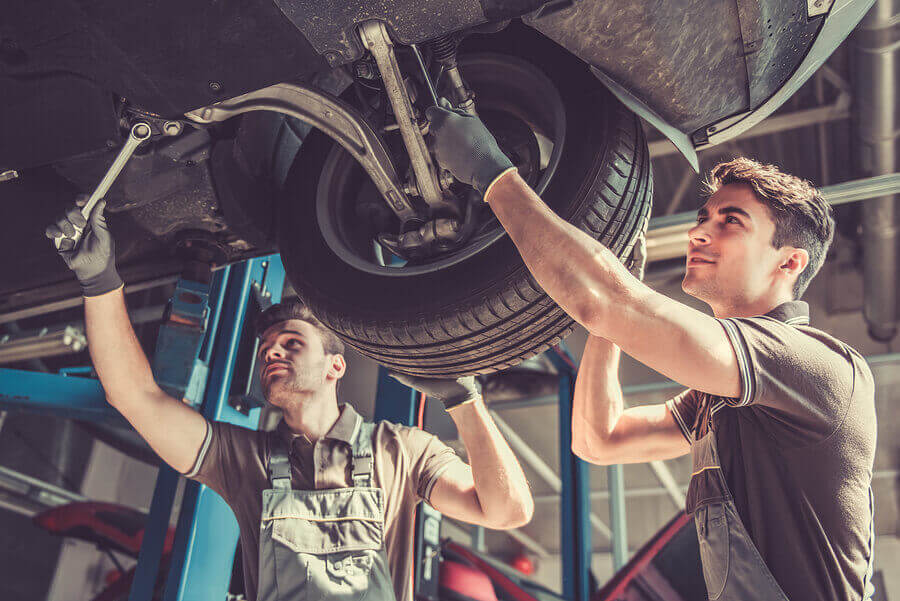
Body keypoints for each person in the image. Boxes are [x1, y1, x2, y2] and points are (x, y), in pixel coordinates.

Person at [425, 104, 876, 601]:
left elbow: (605, 300)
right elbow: (599, 438)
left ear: (789, 261)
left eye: (731, 221)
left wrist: (491, 173)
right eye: (703, 216)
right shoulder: (719, 398)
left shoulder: (815, 364)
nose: (697, 231)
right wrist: (614, 324)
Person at [45, 199, 534, 601]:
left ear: (334, 366)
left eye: (291, 342)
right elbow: (135, 396)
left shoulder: (402, 451)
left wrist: (462, 397)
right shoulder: (241, 460)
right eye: (265, 347)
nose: (271, 350)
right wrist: (101, 283)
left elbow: (506, 512)